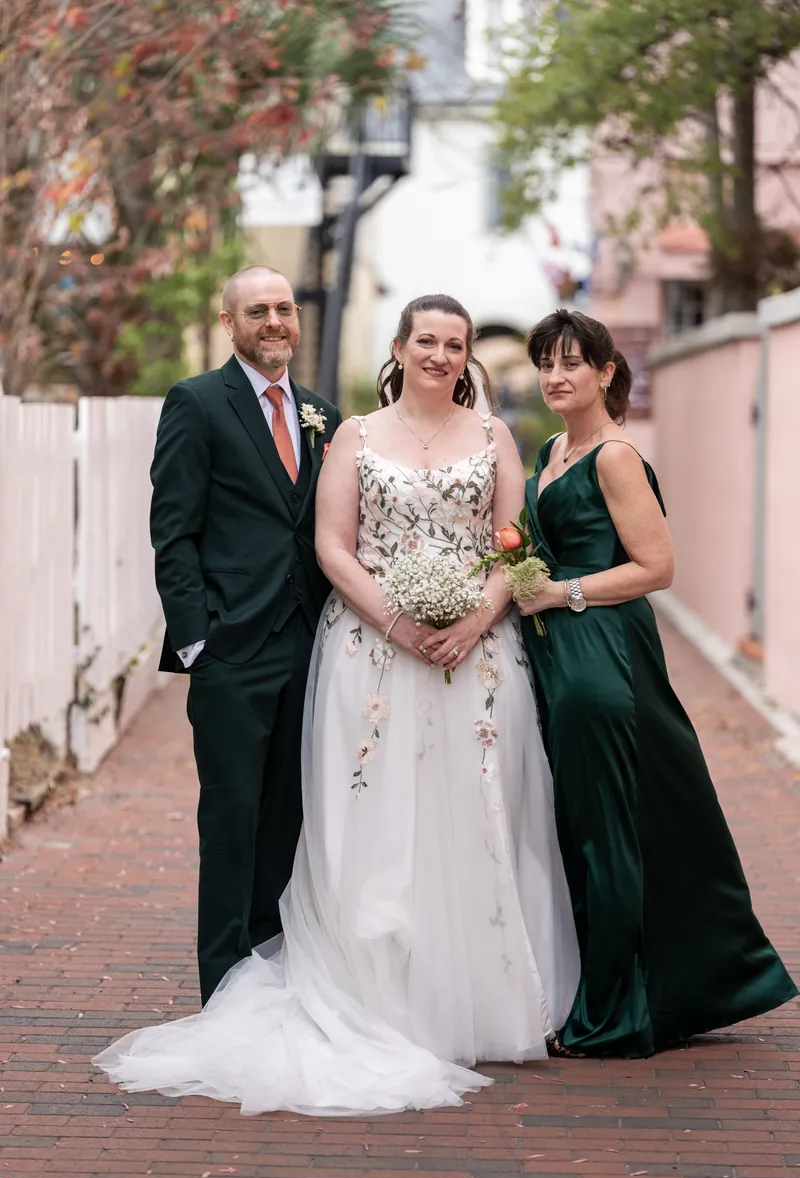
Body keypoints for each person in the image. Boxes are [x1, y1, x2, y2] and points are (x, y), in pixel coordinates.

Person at [92, 293, 580, 1116]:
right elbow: (330, 543)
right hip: (368, 652)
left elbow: (512, 545)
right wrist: (392, 617)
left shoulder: (489, 437)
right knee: (364, 820)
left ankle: (482, 995)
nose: (440, 354)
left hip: (476, 658)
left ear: (468, 356)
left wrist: (473, 618)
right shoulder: (349, 433)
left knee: (479, 816)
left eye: (454, 344)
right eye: (425, 339)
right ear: (399, 346)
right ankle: (337, 990)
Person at [516, 307, 797, 1058]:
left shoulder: (613, 456)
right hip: (558, 655)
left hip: (602, 656)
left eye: (573, 362)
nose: (556, 376)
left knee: (609, 832)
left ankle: (613, 1016)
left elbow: (657, 568)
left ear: (607, 373)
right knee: (582, 828)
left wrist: (559, 594)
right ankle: (639, 989)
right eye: (547, 362)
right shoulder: (550, 449)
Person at [147, 265, 342, 1006]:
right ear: (229, 322)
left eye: (285, 308)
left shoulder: (322, 413)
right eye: (257, 310)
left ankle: (274, 969)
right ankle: (225, 988)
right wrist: (198, 638)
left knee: (290, 814)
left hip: (310, 642)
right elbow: (174, 532)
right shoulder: (197, 403)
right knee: (231, 816)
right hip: (231, 648)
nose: (275, 321)